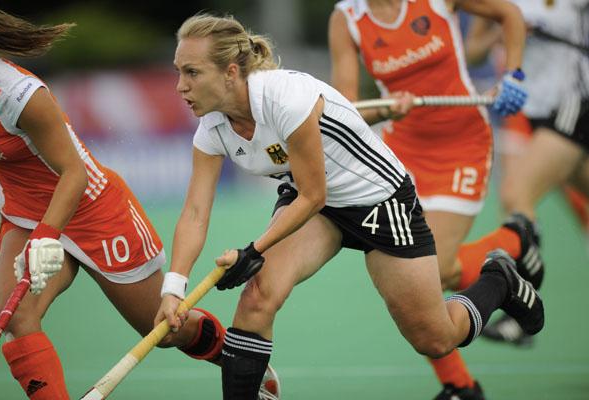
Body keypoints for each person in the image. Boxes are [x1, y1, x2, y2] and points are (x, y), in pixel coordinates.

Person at [156, 12, 544, 400]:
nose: (180, 86)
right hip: (317, 207)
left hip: (378, 199)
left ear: (230, 72)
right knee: (258, 296)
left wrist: (253, 251)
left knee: (436, 338)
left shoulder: (283, 98)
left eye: (192, 72)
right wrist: (173, 289)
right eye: (178, 72)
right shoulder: (213, 127)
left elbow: (314, 194)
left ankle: (499, 279)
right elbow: (195, 212)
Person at [0, 5, 279, 400]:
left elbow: (74, 173)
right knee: (17, 318)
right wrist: (36, 230)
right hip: (26, 213)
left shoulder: (16, 95)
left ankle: (236, 356)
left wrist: (46, 235)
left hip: (92, 207)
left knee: (163, 330)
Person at [328, 0, 536, 398]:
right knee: (408, 284)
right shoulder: (347, 19)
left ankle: (513, 245)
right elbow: (348, 111)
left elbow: (510, 14)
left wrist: (514, 74)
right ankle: (460, 386)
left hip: (463, 144)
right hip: (400, 153)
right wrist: (387, 109)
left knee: (433, 274)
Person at [464, 0, 589, 346]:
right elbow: (471, 51)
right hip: (535, 112)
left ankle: (522, 307)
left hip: (574, 104)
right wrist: (504, 31)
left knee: (515, 194)